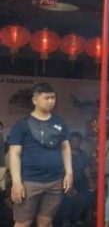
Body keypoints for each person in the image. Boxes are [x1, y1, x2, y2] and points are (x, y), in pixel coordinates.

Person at [8, 82, 72, 227]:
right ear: (35, 100)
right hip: (29, 181)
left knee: (46, 221)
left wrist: (69, 173)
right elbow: (14, 154)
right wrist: (16, 182)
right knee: (23, 222)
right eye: (46, 98)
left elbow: (65, 147)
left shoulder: (59, 122)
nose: (51, 101)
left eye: (53, 98)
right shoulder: (22, 124)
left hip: (55, 180)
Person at [55, 132, 96, 226]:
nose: (75, 143)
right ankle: (66, 219)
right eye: (73, 141)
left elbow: (86, 168)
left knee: (89, 195)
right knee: (68, 198)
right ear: (69, 142)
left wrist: (90, 181)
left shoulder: (83, 154)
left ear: (81, 142)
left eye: (78, 141)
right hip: (65, 182)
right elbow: (61, 171)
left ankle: (76, 217)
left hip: (81, 181)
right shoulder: (64, 153)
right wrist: (68, 186)